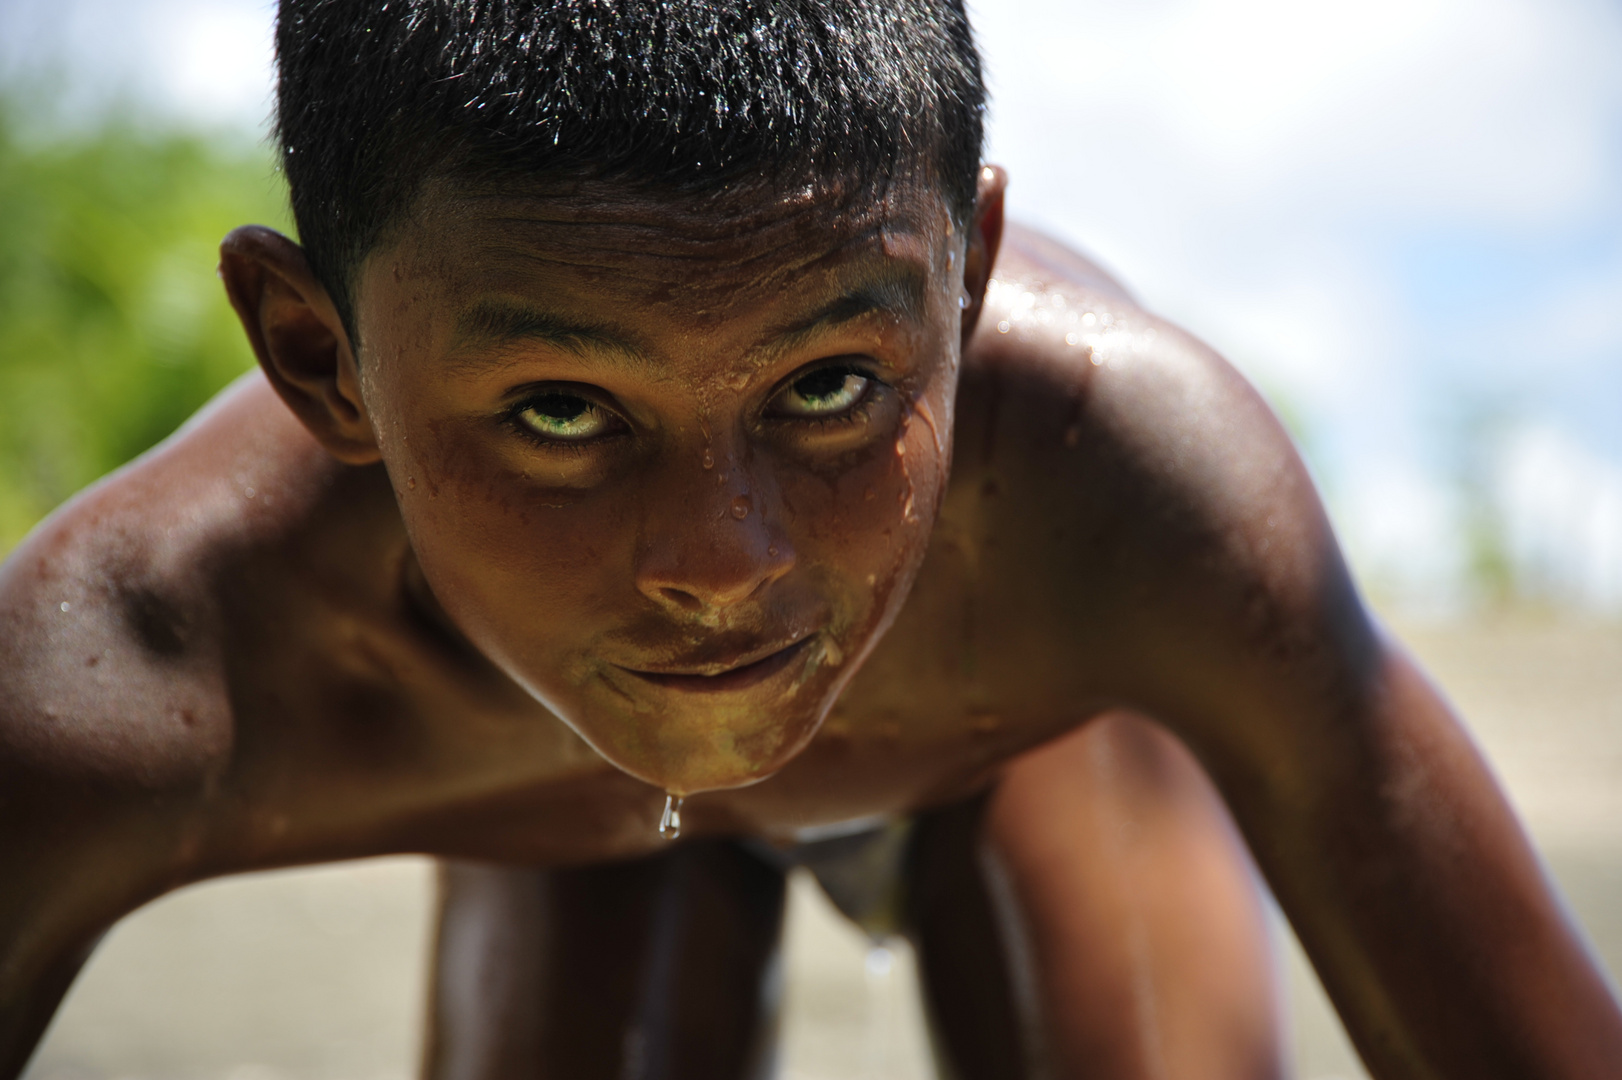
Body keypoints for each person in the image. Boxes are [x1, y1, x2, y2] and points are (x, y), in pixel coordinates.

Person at [2, 1, 1618, 1076]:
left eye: (831, 385)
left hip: (1011, 694)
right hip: (551, 785)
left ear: (966, 287)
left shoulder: (1117, 492)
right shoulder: (133, 665)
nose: (721, 560)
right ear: (317, 358)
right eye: (560, 412)